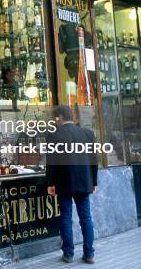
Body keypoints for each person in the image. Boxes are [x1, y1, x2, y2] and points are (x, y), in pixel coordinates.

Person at [46, 105, 98, 264]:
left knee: (66, 217)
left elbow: (52, 162)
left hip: (63, 181)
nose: (54, 121)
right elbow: (93, 160)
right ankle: (89, 254)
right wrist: (94, 182)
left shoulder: (54, 135)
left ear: (60, 117)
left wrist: (50, 182)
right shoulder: (87, 134)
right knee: (86, 217)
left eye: (55, 118)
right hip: (84, 181)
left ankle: (68, 254)